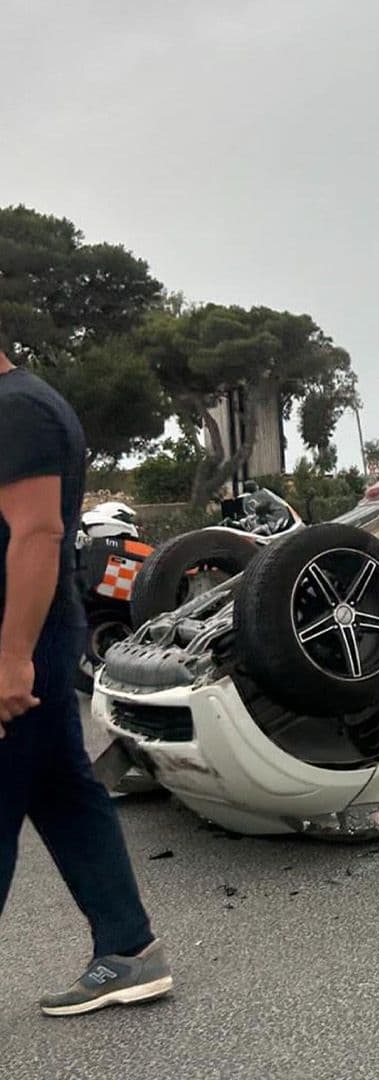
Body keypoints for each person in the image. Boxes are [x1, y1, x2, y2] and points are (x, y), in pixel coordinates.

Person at [0, 343, 171, 1015]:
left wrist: (13, 658)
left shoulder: (19, 410)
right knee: (64, 793)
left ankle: (128, 950)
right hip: (31, 635)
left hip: (23, 637)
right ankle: (128, 950)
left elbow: (38, 534)